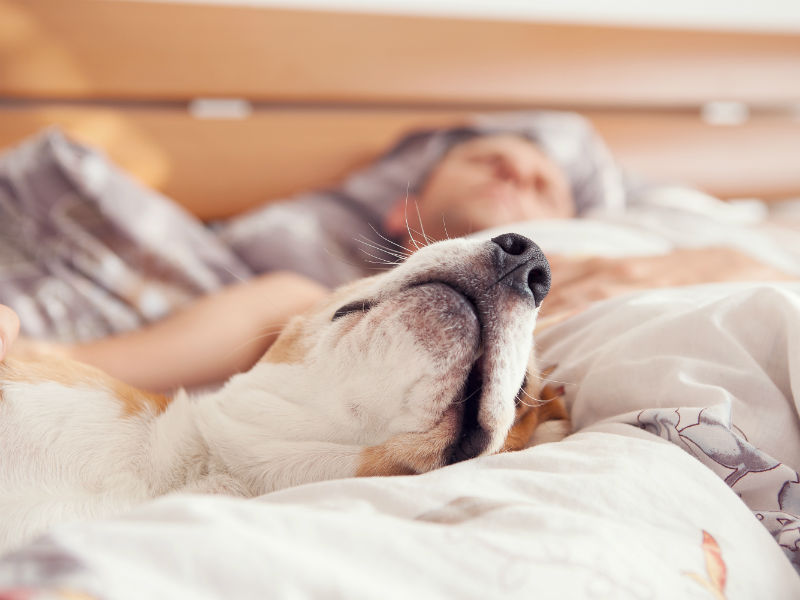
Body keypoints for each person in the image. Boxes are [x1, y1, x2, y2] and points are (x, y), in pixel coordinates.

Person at [0, 131, 795, 390]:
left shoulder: (631, 241)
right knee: (286, 295)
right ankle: (41, 364)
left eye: (542, 180)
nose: (518, 171)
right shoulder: (301, 292)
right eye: (488, 159)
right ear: (398, 208)